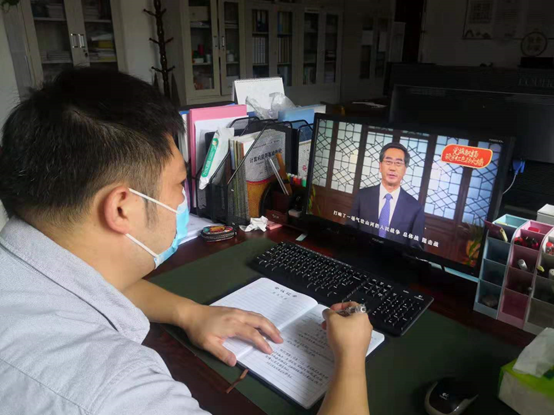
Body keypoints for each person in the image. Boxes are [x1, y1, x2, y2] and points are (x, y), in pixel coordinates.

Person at [0, 68, 373, 415]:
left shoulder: (28, 264)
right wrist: (352, 357)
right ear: (122, 208)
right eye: (179, 183)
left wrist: (191, 313)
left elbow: (94, 283)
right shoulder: (118, 393)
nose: (182, 199)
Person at [349, 142, 425, 249]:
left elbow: (415, 248)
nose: (392, 168)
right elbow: (350, 231)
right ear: (380, 166)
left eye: (398, 163)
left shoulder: (416, 208)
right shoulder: (362, 196)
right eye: (388, 162)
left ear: (405, 170)